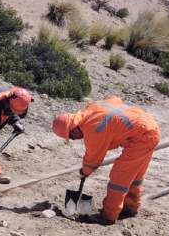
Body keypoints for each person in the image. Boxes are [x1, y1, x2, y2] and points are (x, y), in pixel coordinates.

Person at [51, 96, 162, 224]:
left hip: (142, 137)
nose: (75, 138)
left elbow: (93, 159)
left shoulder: (92, 129)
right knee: (135, 175)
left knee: (119, 177)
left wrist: (84, 171)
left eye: (71, 135)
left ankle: (109, 216)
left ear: (73, 125)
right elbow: (115, 99)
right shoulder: (92, 109)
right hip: (150, 127)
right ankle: (130, 207)